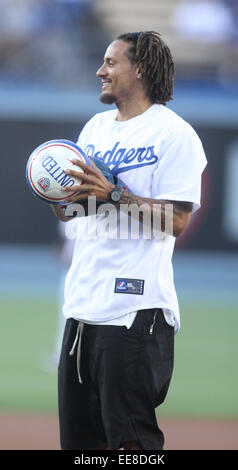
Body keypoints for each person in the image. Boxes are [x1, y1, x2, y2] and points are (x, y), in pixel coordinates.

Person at [51, 31, 207, 450]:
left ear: (139, 69)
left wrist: (115, 194)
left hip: (135, 312)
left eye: (111, 62)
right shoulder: (95, 128)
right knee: (82, 447)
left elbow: (176, 221)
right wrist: (55, 195)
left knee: (132, 446)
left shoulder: (174, 135)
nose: (101, 70)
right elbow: (77, 211)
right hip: (82, 309)